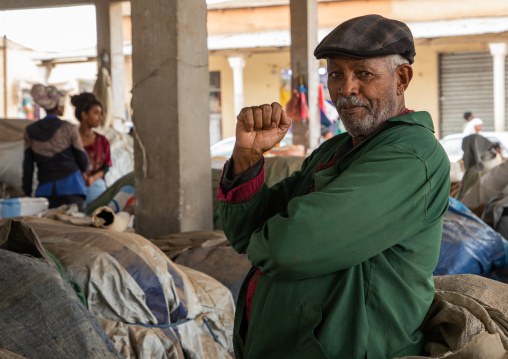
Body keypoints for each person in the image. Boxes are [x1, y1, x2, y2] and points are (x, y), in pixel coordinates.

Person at [217, 14, 450, 358]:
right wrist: (248, 155)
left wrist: (268, 236)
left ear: (401, 79)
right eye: (336, 74)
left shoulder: (412, 156)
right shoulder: (336, 148)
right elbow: (242, 230)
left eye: (363, 74)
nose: (345, 88)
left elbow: (286, 249)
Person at [22, 84, 89, 211]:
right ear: (58, 106)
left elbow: (28, 167)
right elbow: (84, 163)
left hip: (45, 192)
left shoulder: (30, 131)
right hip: (72, 189)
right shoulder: (69, 128)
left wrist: (27, 193)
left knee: (48, 229)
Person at [71, 93, 112, 206]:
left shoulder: (102, 141)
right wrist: (82, 176)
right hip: (74, 185)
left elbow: (106, 165)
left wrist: (92, 179)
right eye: (96, 113)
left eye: (101, 113)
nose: (100, 117)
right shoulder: (70, 139)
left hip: (96, 184)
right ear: (84, 115)